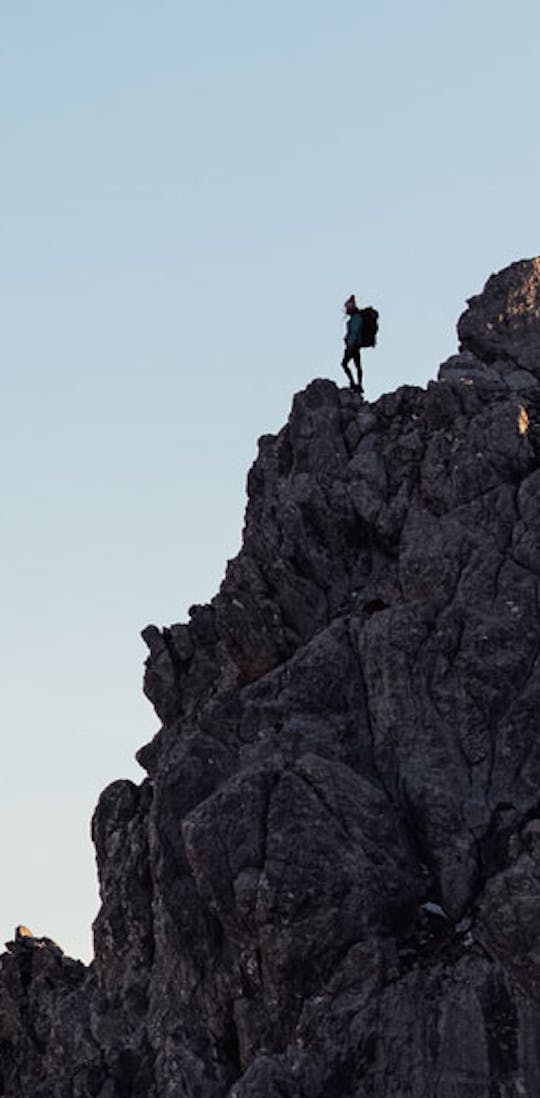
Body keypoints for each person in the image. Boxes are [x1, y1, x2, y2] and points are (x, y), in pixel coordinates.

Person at [341, 294, 364, 395]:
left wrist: (349, 343)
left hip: (352, 345)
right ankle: (358, 384)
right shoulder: (356, 318)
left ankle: (354, 383)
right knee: (357, 365)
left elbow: (354, 333)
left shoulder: (355, 319)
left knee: (345, 364)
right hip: (355, 345)